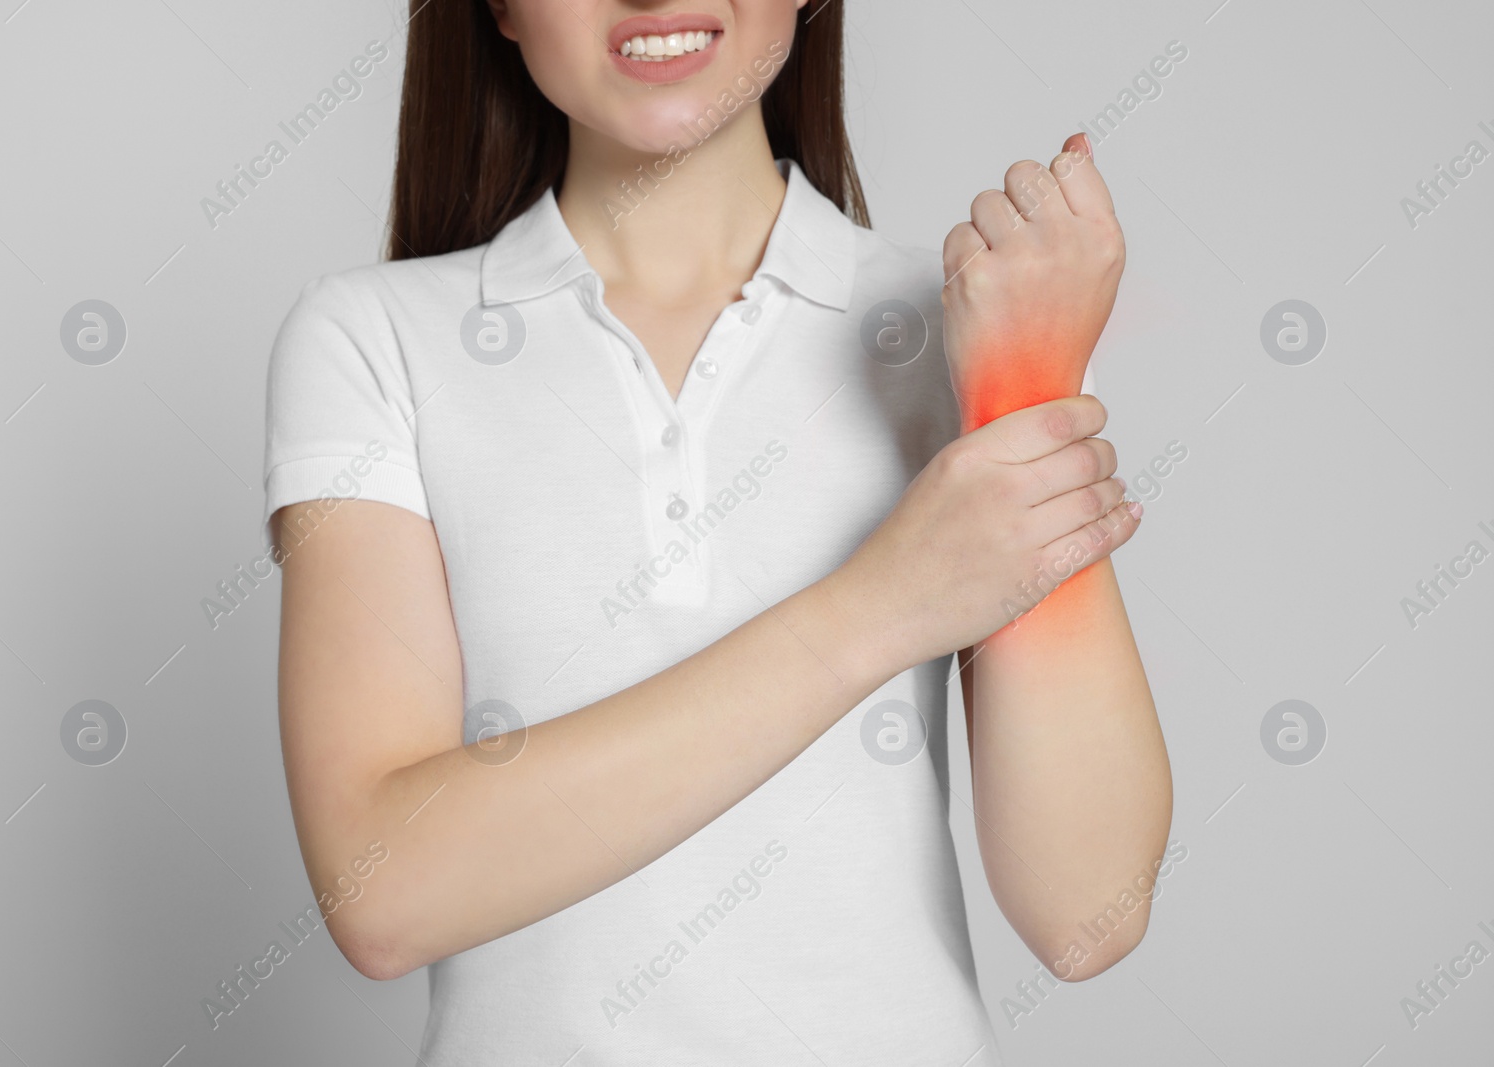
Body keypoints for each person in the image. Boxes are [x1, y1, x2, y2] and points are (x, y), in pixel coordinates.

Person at [261, 2, 1172, 1063]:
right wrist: (880, 604)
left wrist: (1025, 385)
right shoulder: (374, 343)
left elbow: (1087, 912)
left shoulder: (969, 329)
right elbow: (385, 891)